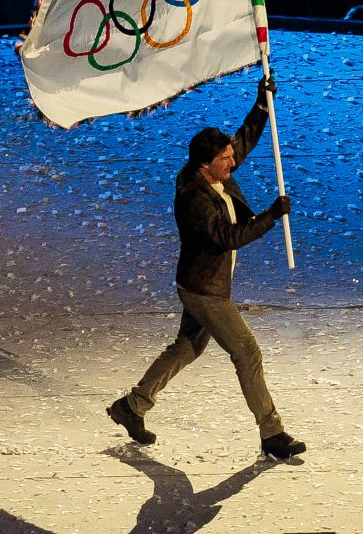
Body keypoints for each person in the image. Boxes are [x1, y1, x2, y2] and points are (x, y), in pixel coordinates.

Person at [107, 73, 305, 461]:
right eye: (225, 160)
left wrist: (261, 105)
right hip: (205, 291)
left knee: (187, 346)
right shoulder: (193, 199)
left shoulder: (213, 173)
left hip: (201, 283)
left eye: (231, 157)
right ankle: (272, 433)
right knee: (247, 352)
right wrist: (270, 216)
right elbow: (227, 237)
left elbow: (242, 141)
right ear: (205, 164)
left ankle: (132, 406)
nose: (234, 162)